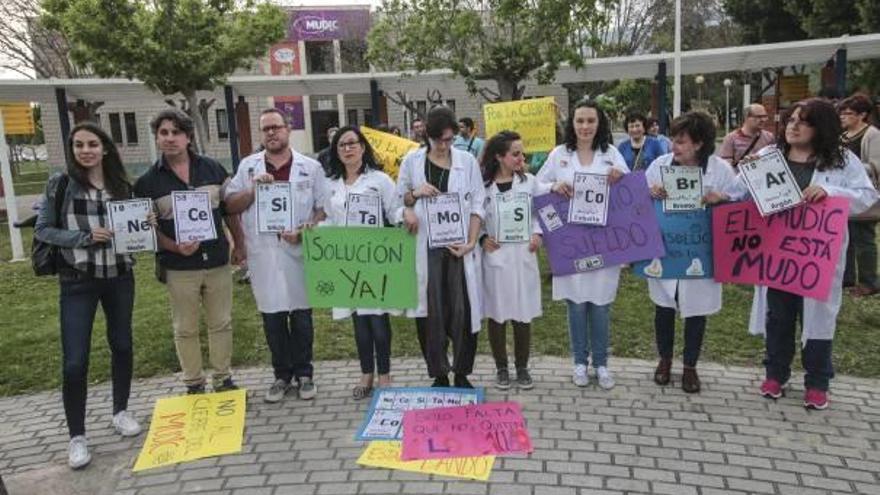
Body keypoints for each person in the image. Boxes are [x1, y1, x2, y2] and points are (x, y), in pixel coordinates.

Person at [746, 98, 878, 410]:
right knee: (778, 316)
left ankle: (818, 381)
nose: (793, 126)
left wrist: (832, 192)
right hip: (778, 257)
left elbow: (868, 197)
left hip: (817, 258)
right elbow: (740, 193)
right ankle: (775, 374)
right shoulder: (769, 156)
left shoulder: (841, 160)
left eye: (802, 121)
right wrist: (739, 179)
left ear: (820, 127)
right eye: (790, 119)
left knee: (817, 319)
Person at [35, 123, 146, 469]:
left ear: (106, 148)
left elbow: (134, 229)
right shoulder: (61, 184)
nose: (85, 150)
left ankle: (120, 410)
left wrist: (145, 227)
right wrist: (84, 236)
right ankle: (77, 436)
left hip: (119, 276)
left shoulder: (122, 186)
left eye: (92, 144)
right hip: (77, 280)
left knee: (123, 345)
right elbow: (43, 229)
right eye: (79, 145)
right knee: (75, 360)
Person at [133, 108, 245, 395]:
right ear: (157, 138)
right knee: (185, 327)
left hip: (217, 259)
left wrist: (239, 244)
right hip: (178, 266)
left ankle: (223, 378)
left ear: (188, 137)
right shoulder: (146, 182)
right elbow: (147, 229)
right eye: (163, 133)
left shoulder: (213, 169)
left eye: (176, 133)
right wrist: (174, 246)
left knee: (221, 322)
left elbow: (229, 210)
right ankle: (193, 382)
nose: (170, 138)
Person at [224, 109, 326, 403]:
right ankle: (281, 375)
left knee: (302, 316)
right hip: (264, 252)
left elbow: (322, 207)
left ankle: (305, 374)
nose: (271, 133)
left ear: (287, 129)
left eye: (276, 127)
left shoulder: (310, 166)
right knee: (272, 316)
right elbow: (230, 205)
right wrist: (253, 190)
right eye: (266, 129)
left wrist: (308, 228)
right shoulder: (248, 167)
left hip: (299, 250)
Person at [536, 100, 629, 390]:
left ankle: (601, 364)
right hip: (571, 244)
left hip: (603, 243)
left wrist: (620, 177)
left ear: (599, 123)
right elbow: (536, 187)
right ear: (572, 124)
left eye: (591, 121)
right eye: (580, 121)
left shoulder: (611, 154)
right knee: (575, 305)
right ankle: (579, 362)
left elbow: (629, 195)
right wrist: (553, 186)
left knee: (600, 306)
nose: (585, 127)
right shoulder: (559, 155)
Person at [645, 112, 739, 393]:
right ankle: (664, 360)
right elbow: (641, 196)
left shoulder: (719, 169)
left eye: (681, 141)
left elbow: (739, 198)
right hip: (667, 250)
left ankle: (690, 366)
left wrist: (721, 198)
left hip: (701, 252)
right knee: (664, 306)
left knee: (695, 310)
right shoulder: (661, 165)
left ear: (698, 143)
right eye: (674, 140)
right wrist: (652, 191)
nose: (674, 146)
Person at [396, 106, 485, 388]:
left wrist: (471, 242)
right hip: (426, 248)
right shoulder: (412, 162)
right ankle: (439, 374)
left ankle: (461, 372)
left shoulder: (467, 161)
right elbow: (398, 201)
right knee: (431, 311)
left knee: (462, 310)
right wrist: (413, 198)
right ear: (428, 137)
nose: (445, 146)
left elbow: (478, 203)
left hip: (459, 247)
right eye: (439, 140)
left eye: (450, 140)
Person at [320, 126, 401, 399]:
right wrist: (314, 230)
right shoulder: (330, 184)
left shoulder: (380, 180)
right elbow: (330, 220)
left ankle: (385, 374)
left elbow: (395, 211)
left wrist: (408, 218)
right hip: (347, 260)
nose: (347, 149)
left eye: (352, 143)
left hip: (374, 260)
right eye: (341, 145)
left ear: (363, 147)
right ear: (336, 151)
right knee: (359, 322)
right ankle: (366, 373)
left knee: (378, 319)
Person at [480, 131, 548, 390]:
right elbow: (473, 216)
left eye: (522, 153)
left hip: (522, 256)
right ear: (499, 157)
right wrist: (482, 238)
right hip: (496, 257)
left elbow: (543, 211)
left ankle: (522, 367)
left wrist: (538, 234)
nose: (522, 158)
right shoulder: (484, 187)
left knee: (522, 313)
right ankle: (501, 368)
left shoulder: (530, 182)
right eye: (516, 153)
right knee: (497, 315)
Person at [839, 94, 880, 296]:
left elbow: (876, 165)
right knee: (845, 239)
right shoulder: (842, 136)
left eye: (849, 113)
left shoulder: (872, 135)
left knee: (864, 239)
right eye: (842, 113)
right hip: (844, 194)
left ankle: (869, 282)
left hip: (864, 196)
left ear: (862, 115)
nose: (843, 117)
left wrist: (852, 168)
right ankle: (846, 279)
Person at [718, 104, 775, 169]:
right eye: (759, 117)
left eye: (765, 116)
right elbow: (725, 166)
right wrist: (743, 165)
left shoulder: (769, 137)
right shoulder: (731, 138)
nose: (763, 120)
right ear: (746, 117)